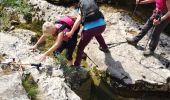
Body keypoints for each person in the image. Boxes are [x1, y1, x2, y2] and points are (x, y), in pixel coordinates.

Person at [66, 0, 109, 68]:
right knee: (97, 33)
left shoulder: (81, 4)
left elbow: (79, 20)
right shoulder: (92, 1)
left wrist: (72, 31)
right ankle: (104, 47)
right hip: (102, 26)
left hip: (89, 30)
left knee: (80, 48)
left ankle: (77, 65)